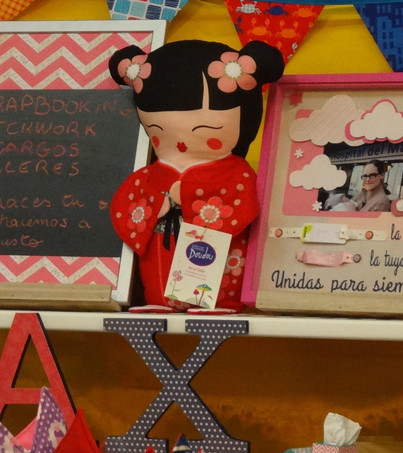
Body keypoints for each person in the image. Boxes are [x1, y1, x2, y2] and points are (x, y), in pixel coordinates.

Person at [108, 40, 284, 312]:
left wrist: (190, 198)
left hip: (216, 249)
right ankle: (158, 298)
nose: (180, 143)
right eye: (157, 130)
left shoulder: (235, 171)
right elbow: (130, 200)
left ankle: (218, 301)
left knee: (219, 265)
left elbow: (244, 201)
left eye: (206, 130)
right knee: (157, 270)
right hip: (161, 239)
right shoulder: (153, 172)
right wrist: (155, 204)